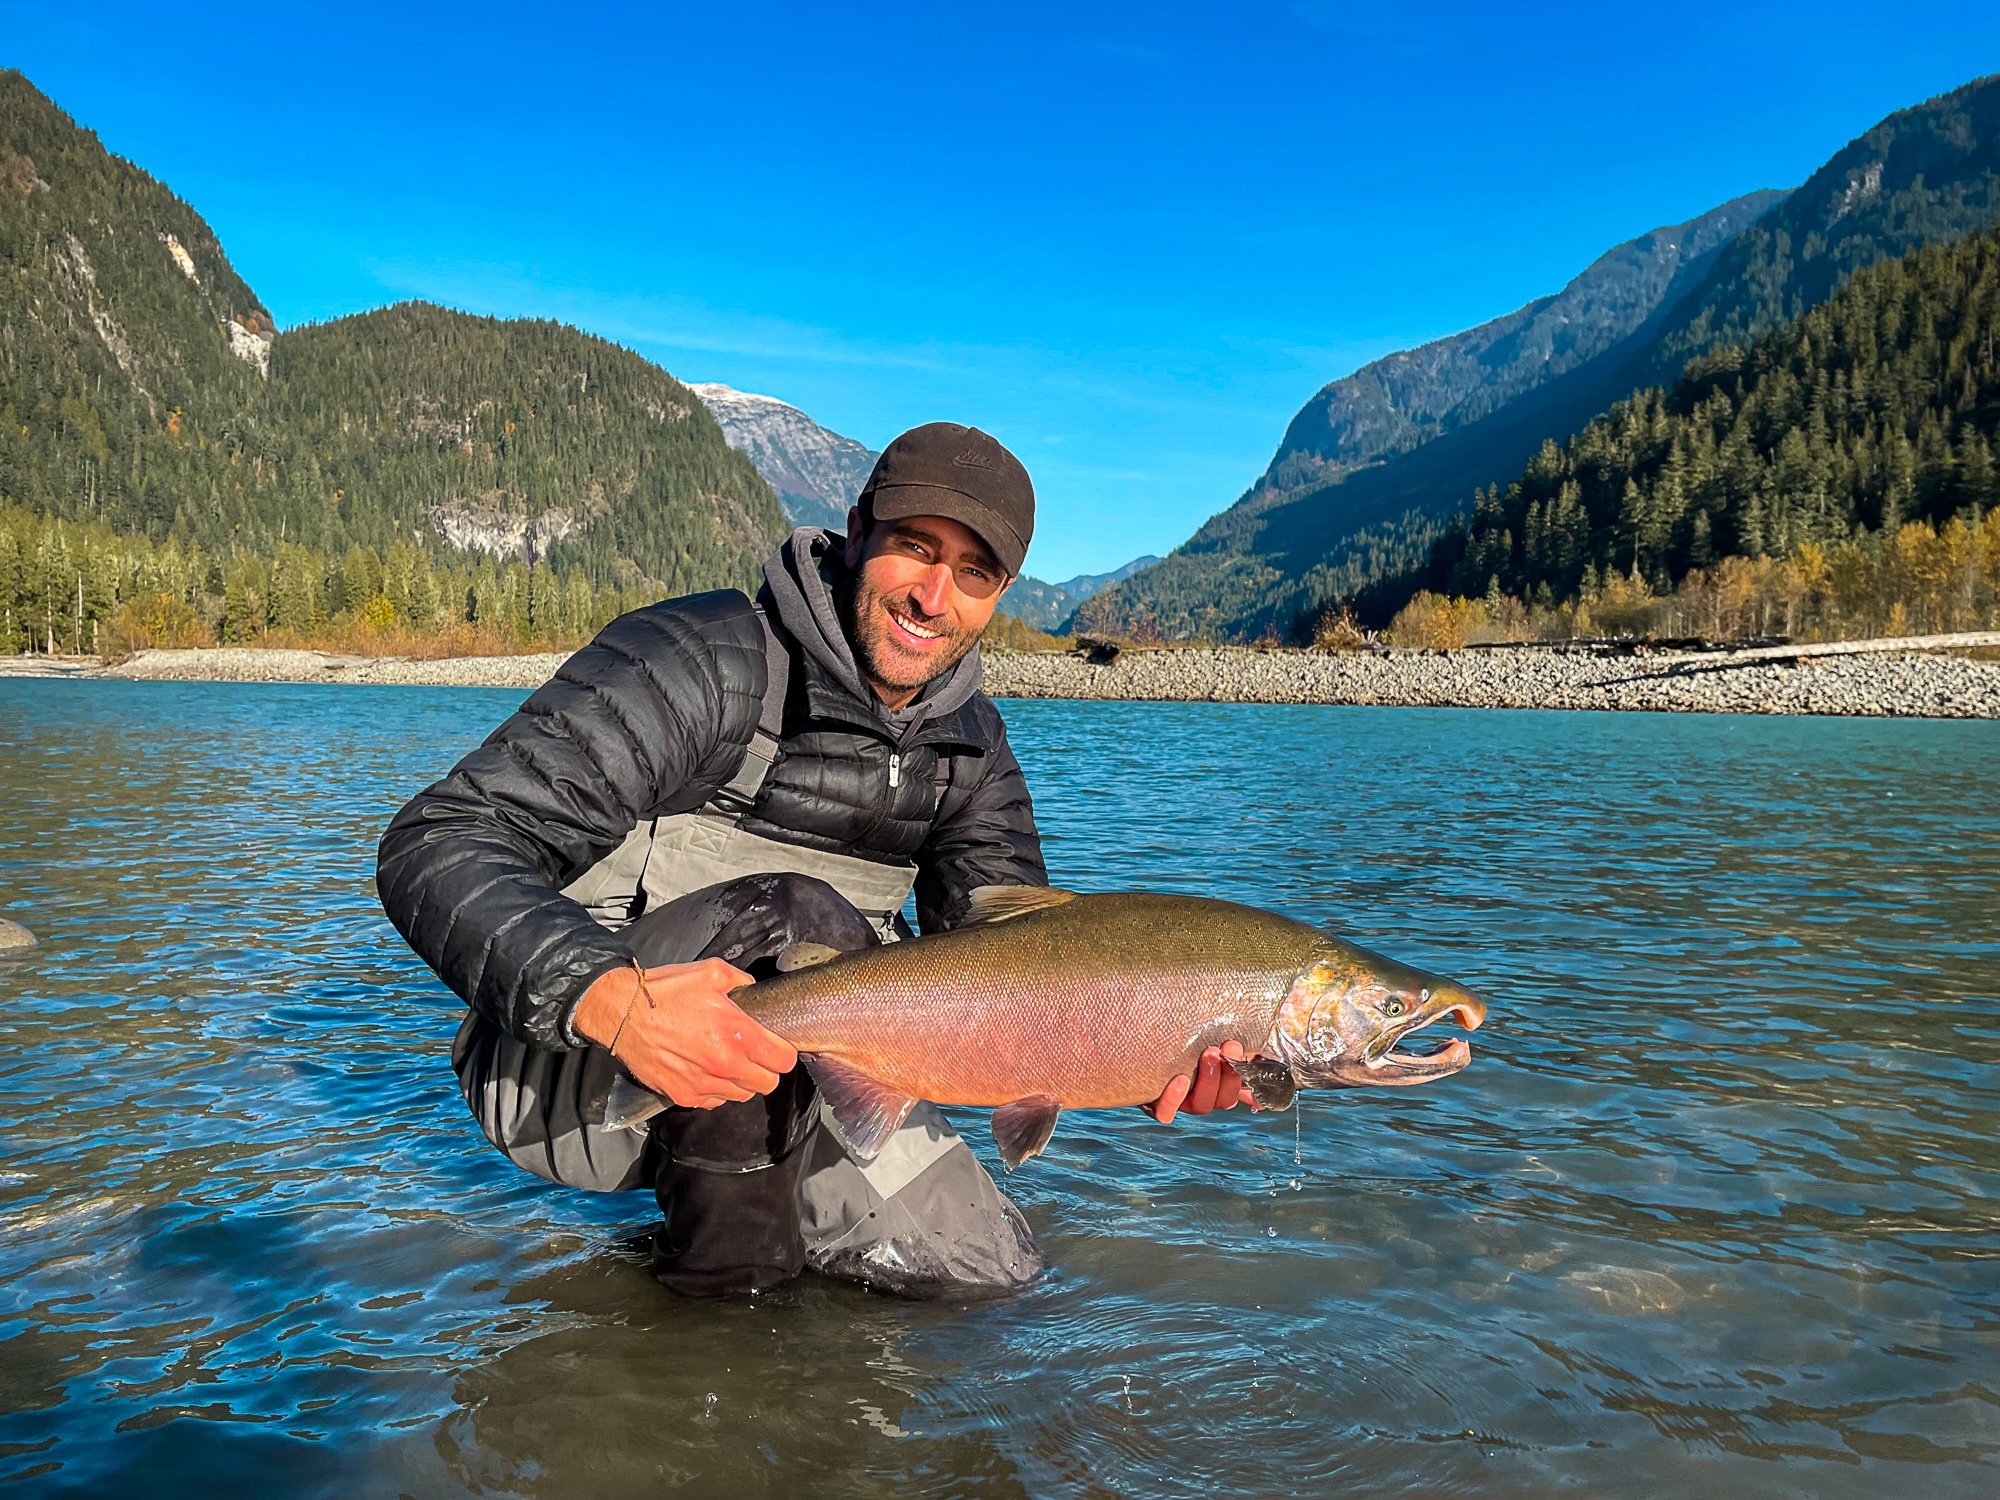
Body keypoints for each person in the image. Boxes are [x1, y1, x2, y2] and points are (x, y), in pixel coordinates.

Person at [378, 421, 1248, 1298]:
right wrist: (615, 1005)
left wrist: (1138, 1051)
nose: (934, 596)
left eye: (974, 573)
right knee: (797, 915)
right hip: (567, 1061)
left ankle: (710, 1278)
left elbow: (1031, 975)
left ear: (999, 594)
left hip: (826, 1068)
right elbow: (438, 842)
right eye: (915, 548)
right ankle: (721, 1325)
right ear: (857, 528)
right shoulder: (699, 660)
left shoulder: (971, 749)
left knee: (988, 1276)